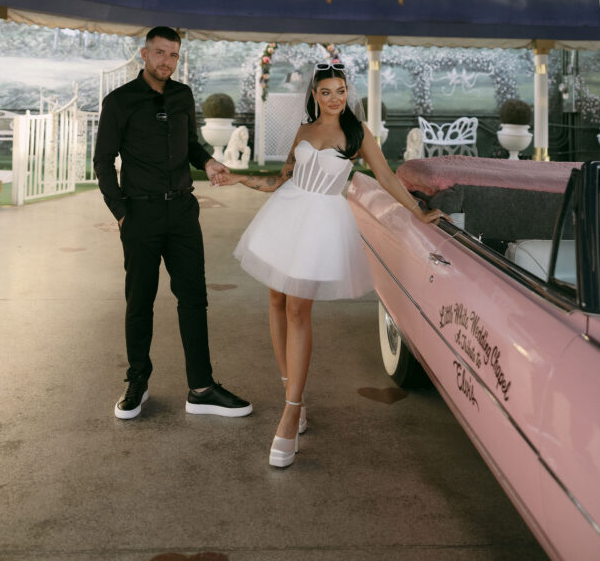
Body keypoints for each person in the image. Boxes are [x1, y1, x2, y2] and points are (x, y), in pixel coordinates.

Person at [221, 62, 445, 468]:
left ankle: (289, 413)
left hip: (321, 223)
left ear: (346, 92)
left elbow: (388, 178)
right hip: (286, 215)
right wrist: (239, 179)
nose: (334, 98)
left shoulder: (357, 134)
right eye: (326, 92)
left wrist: (417, 212)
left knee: (297, 308)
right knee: (275, 301)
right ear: (315, 96)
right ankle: (295, 394)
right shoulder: (305, 132)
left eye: (340, 90)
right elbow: (281, 179)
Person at [93, 25, 252, 421]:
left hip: (182, 211)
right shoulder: (119, 101)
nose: (167, 61)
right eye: (160, 53)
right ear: (144, 53)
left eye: (174, 55)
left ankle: (201, 388)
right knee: (139, 302)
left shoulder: (183, 96)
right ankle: (137, 383)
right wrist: (122, 213)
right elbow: (102, 161)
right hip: (140, 214)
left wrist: (208, 161)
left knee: (194, 299)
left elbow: (192, 144)